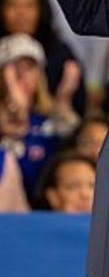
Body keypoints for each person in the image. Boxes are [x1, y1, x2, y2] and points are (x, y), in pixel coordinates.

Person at [0, 33, 80, 198]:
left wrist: (63, 101)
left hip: (42, 217)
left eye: (29, 67)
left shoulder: (51, 122)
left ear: (39, 75)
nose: (21, 76)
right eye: (14, 68)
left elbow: (76, 146)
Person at [0, 0, 86, 115]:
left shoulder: (60, 54)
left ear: (41, 10)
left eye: (29, 5)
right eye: (12, 4)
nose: (21, 13)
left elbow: (78, 110)